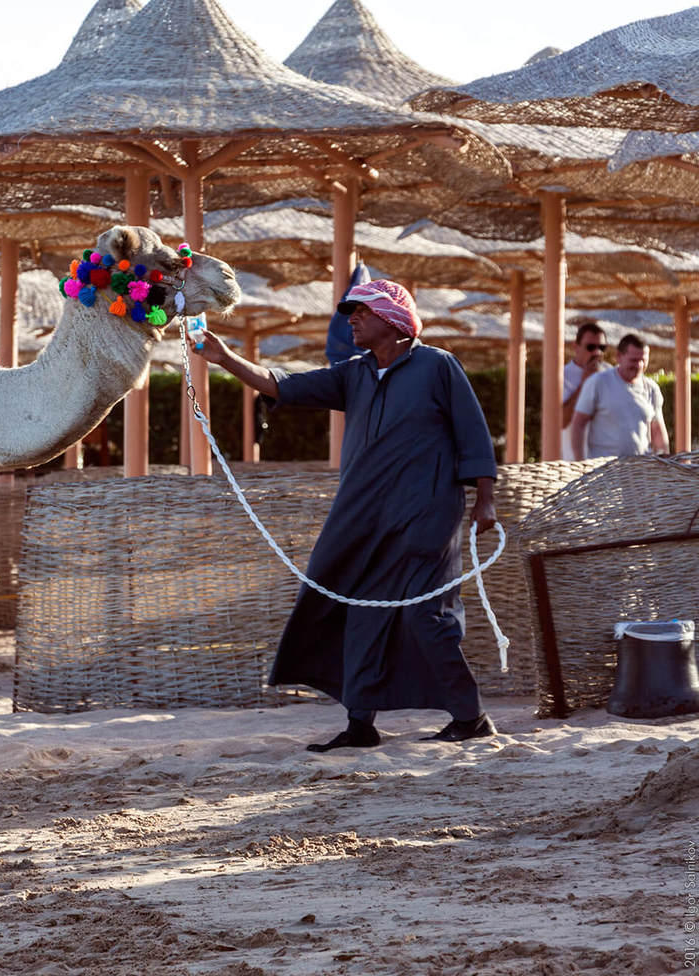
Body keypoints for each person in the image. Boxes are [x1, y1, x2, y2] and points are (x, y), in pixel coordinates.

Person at [193, 279, 498, 750]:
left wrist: (485, 499)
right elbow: (282, 385)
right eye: (350, 312)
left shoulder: (438, 366)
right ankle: (360, 725)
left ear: (391, 319)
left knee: (424, 615)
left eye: (360, 311)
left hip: (427, 514)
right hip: (363, 516)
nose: (350, 319)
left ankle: (470, 716)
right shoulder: (352, 374)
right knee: (358, 613)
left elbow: (472, 433)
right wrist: (225, 359)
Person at [570, 333, 668, 459]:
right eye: (634, 360)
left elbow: (658, 431)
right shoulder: (598, 382)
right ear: (619, 357)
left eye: (643, 360)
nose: (639, 365)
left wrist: (664, 464)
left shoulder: (652, 388)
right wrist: (579, 461)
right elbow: (578, 424)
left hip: (640, 470)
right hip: (603, 469)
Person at [561, 321, 609, 460]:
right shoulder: (562, 375)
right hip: (573, 460)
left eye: (602, 347)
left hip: (606, 461)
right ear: (576, 347)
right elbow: (562, 421)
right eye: (590, 347)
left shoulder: (611, 373)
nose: (597, 352)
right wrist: (585, 382)